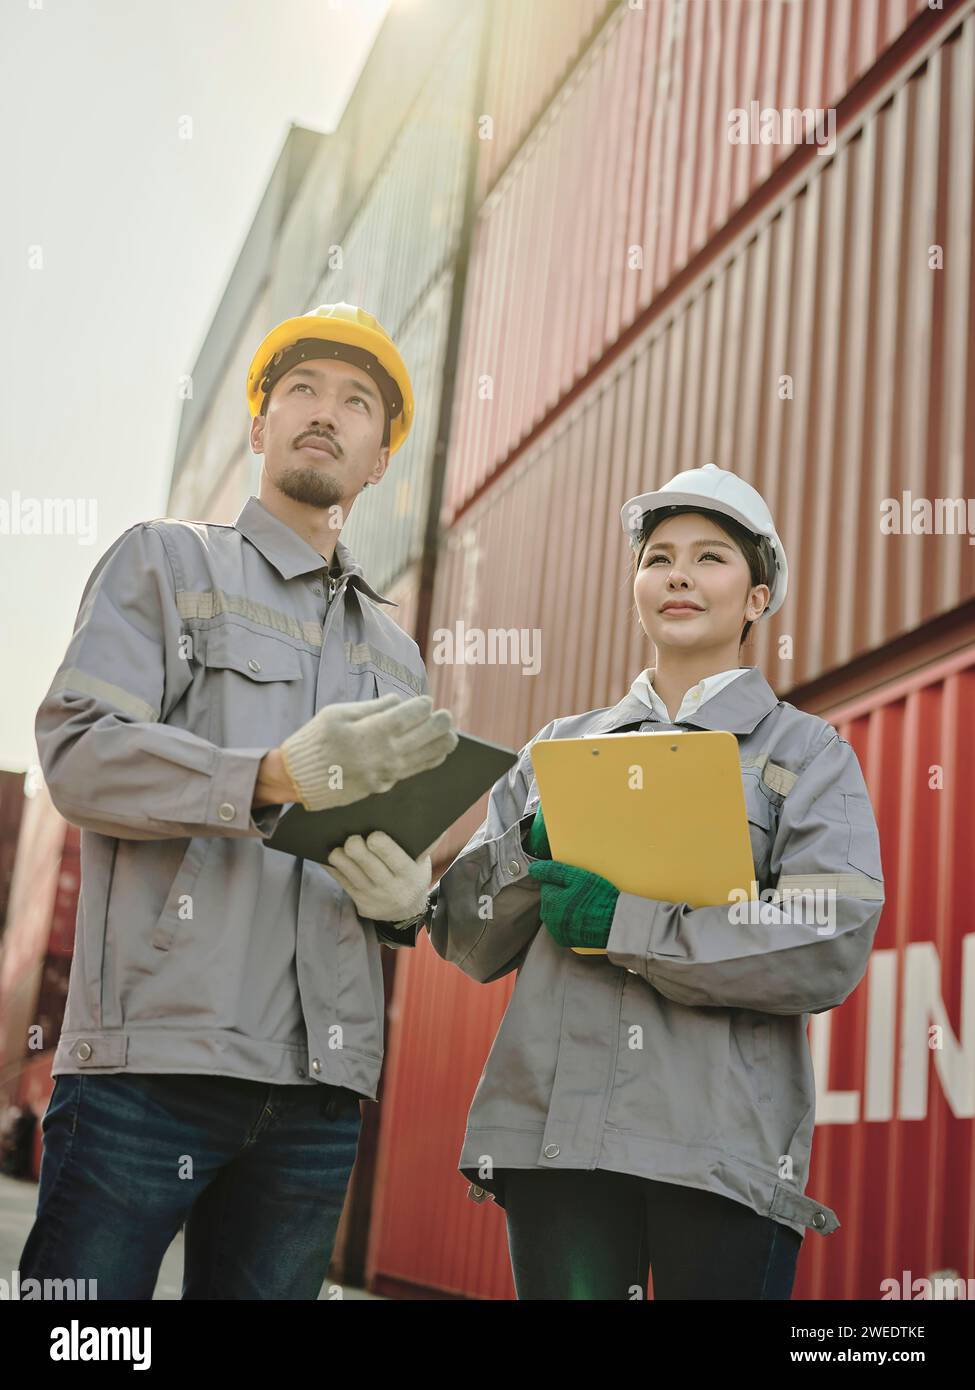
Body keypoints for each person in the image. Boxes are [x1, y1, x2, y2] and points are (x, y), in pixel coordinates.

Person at [19, 302, 457, 1300]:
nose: (324, 413)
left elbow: (381, 848)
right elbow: (79, 756)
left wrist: (405, 903)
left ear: (380, 459)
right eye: (301, 388)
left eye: (357, 403)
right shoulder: (165, 564)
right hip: (149, 1073)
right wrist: (265, 777)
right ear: (260, 424)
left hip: (315, 1097)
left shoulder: (397, 655)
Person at [421, 463, 885, 1299]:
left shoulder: (804, 755)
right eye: (658, 556)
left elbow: (830, 938)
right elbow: (465, 938)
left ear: (755, 598)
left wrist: (630, 927)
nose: (677, 573)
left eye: (710, 558)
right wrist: (523, 850)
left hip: (715, 1155)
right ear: (636, 588)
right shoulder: (555, 751)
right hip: (555, 1147)